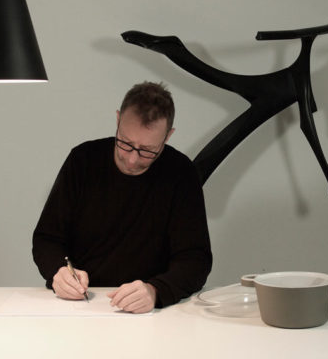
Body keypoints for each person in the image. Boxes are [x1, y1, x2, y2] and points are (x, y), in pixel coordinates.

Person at [32, 81, 213, 313]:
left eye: (147, 150)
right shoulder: (83, 160)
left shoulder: (181, 172)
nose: (132, 160)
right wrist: (58, 272)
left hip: (152, 312)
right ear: (118, 120)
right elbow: (47, 239)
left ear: (168, 136)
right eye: (125, 143)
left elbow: (196, 260)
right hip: (82, 304)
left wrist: (156, 291)